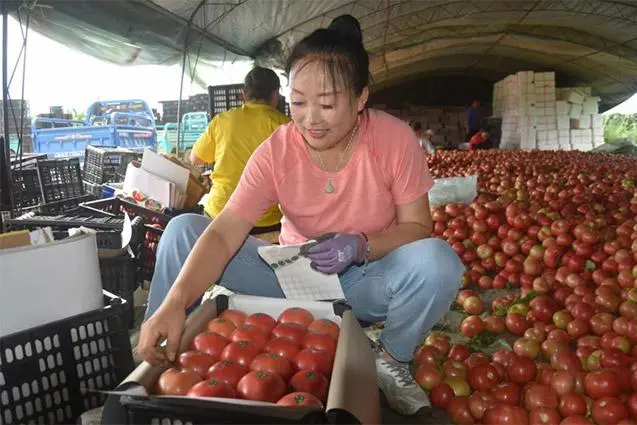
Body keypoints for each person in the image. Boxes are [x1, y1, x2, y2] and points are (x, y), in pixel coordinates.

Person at [138, 14, 464, 415]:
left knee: (439, 262)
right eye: (298, 102)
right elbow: (225, 232)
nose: (310, 119)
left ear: (361, 98)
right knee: (183, 229)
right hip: (289, 278)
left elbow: (418, 227)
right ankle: (157, 354)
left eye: (327, 104)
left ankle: (392, 358)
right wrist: (175, 300)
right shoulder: (278, 150)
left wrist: (363, 245)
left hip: (364, 280)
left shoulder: (393, 139)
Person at [190, 66, 290, 235]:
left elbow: (196, 158)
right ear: (275, 95)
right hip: (266, 224)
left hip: (219, 215)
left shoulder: (222, 120)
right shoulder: (287, 127)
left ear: (244, 94)